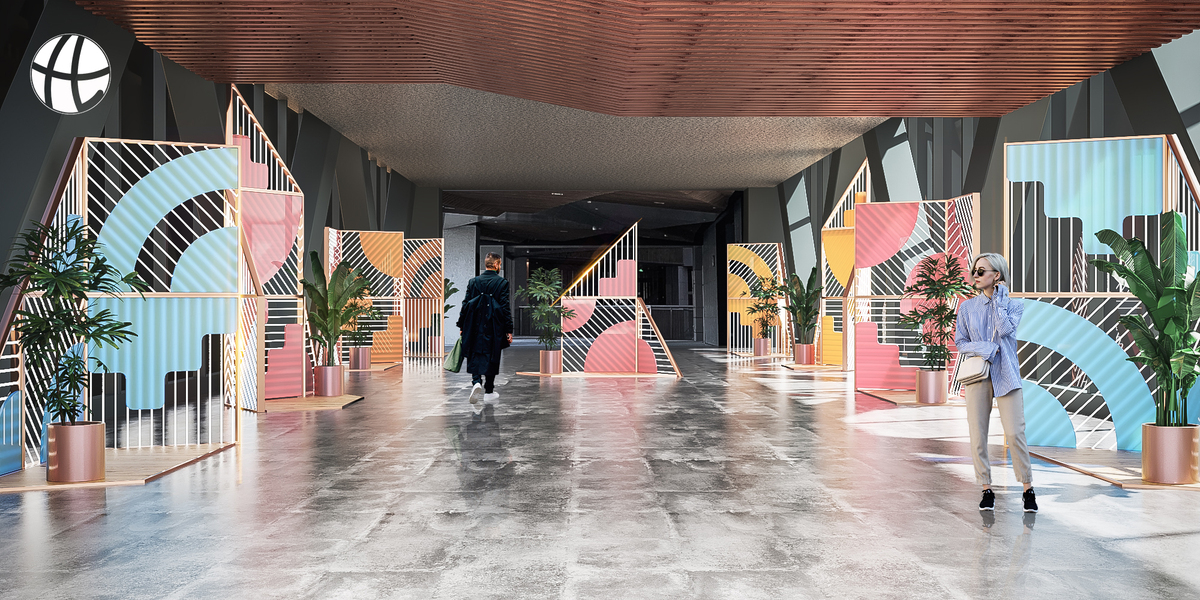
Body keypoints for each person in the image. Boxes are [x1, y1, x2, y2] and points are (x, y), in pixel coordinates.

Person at [954, 252, 1037, 513]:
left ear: (997, 275)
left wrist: (999, 302)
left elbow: (1006, 330)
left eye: (981, 271)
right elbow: (961, 343)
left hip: (1007, 374)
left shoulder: (1014, 306)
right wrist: (987, 349)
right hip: (978, 375)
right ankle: (986, 489)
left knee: (1015, 432)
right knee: (978, 433)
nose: (975, 276)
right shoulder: (967, 308)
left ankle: (1028, 488)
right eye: (974, 271)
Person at [456, 252, 513, 409]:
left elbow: (465, 304)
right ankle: (489, 390)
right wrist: (509, 329)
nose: (500, 266)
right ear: (496, 265)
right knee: (492, 354)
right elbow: (505, 307)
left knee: (475, 352)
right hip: (494, 325)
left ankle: (476, 381)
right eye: (499, 264)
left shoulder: (473, 282)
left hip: (474, 324)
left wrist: (461, 325)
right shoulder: (502, 283)